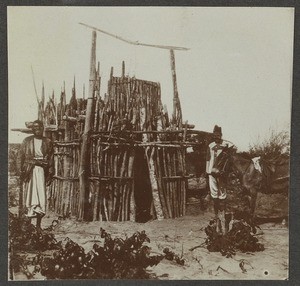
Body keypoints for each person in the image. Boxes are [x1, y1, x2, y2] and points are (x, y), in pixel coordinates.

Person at [17, 120, 54, 230]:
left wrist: (50, 174)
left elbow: (51, 159)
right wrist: (20, 172)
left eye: (39, 127)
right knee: (29, 197)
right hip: (29, 171)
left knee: (40, 197)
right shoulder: (27, 141)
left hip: (41, 171)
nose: (37, 129)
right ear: (32, 129)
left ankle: (38, 225)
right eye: (35, 128)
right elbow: (20, 157)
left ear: (43, 128)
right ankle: (28, 224)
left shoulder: (47, 141)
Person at [205, 125, 233, 234]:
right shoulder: (210, 146)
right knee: (214, 194)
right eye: (214, 135)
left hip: (222, 174)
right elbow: (208, 159)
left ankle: (223, 216)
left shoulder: (226, 145)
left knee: (222, 195)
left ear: (221, 135)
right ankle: (217, 215)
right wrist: (208, 171)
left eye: (218, 135)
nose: (216, 137)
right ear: (213, 136)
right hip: (212, 173)